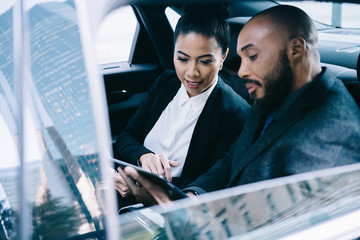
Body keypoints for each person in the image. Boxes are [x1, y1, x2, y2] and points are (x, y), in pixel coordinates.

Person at [119, 5, 360, 204]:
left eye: (252, 56)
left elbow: (284, 220)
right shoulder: (274, 94)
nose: (242, 72)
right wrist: (190, 196)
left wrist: (178, 208)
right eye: (241, 58)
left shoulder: (333, 136)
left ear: (296, 49)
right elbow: (233, 159)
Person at [113, 5, 251, 204]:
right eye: (182, 59)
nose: (191, 72)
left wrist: (140, 183)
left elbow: (213, 179)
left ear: (222, 58)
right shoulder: (165, 83)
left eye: (204, 61)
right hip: (125, 186)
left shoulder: (237, 114)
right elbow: (126, 138)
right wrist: (144, 157)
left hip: (176, 203)